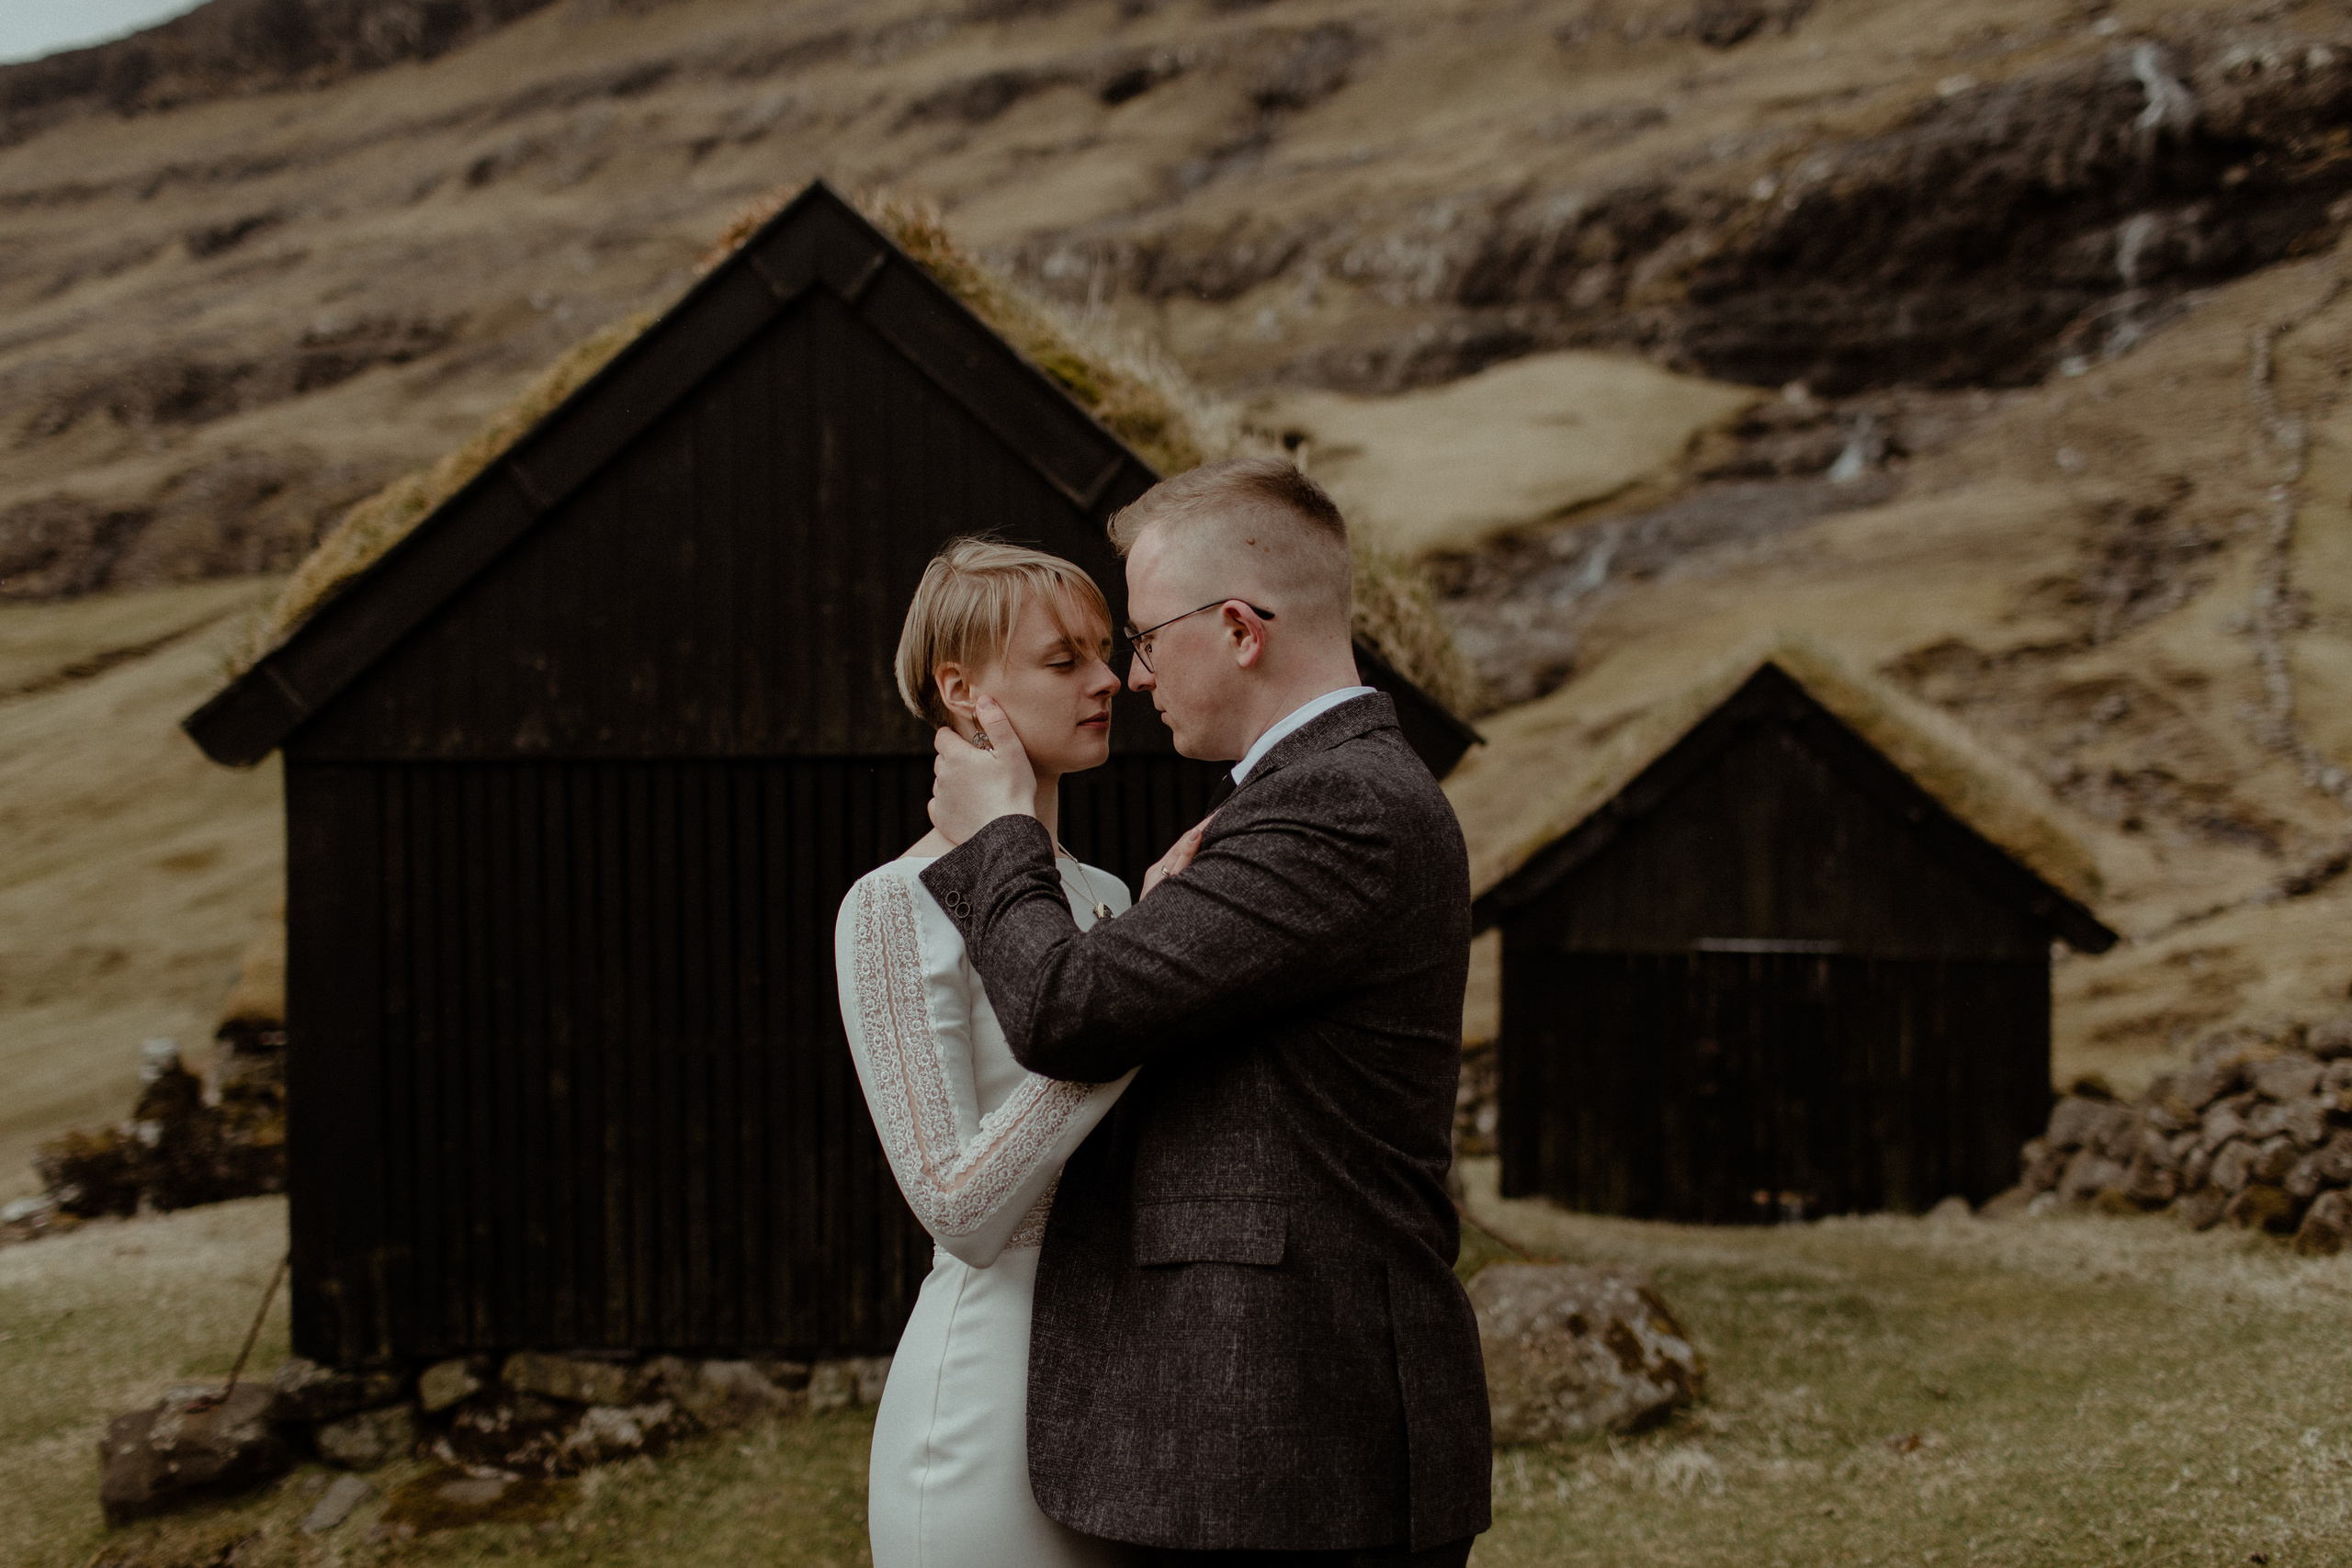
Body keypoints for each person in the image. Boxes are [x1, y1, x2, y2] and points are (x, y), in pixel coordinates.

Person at [921, 456, 1492, 1566]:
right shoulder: (1307, 800)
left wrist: (1002, 834)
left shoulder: (1338, 805)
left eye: (1140, 636)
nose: (1132, 678)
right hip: (1268, 1435)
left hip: (1290, 1437)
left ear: (1238, 628)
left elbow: (1066, 1009)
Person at [833, 537, 1149, 1568]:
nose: (1109, 681)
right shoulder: (893, 905)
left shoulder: (1113, 901)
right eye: (1064, 661)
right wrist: (1140, 1007)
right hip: (987, 1398)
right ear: (963, 691)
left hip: (1135, 1391)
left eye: (1106, 652)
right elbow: (956, 1207)